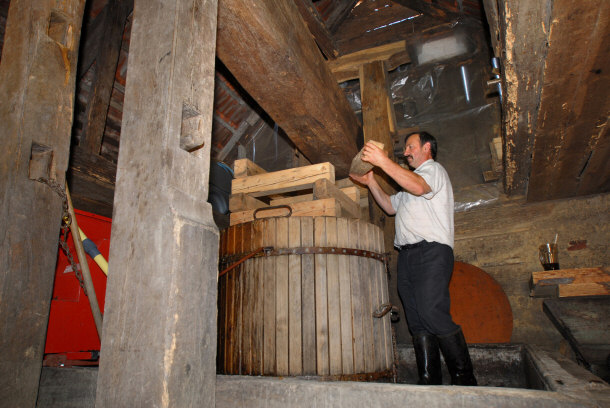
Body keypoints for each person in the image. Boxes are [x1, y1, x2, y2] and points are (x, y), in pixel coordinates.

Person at [350, 132, 477, 386]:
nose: (406, 152)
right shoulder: (407, 186)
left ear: (427, 147)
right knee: (417, 320)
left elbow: (419, 186)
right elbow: (389, 206)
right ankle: (429, 382)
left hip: (431, 252)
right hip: (407, 256)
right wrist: (371, 180)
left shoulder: (433, 171)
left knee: (432, 312)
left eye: (411, 146)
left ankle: (465, 381)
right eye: (406, 148)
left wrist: (382, 160)